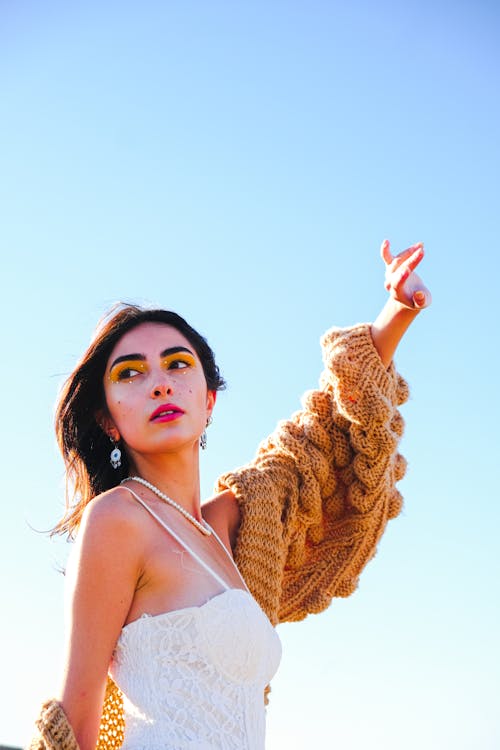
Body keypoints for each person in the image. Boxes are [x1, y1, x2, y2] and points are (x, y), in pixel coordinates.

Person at [29, 240, 431, 750]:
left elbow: (314, 443)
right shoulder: (117, 518)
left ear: (210, 400)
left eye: (177, 364)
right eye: (130, 373)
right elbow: (76, 720)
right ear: (107, 419)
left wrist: (396, 310)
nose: (159, 384)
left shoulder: (237, 523)